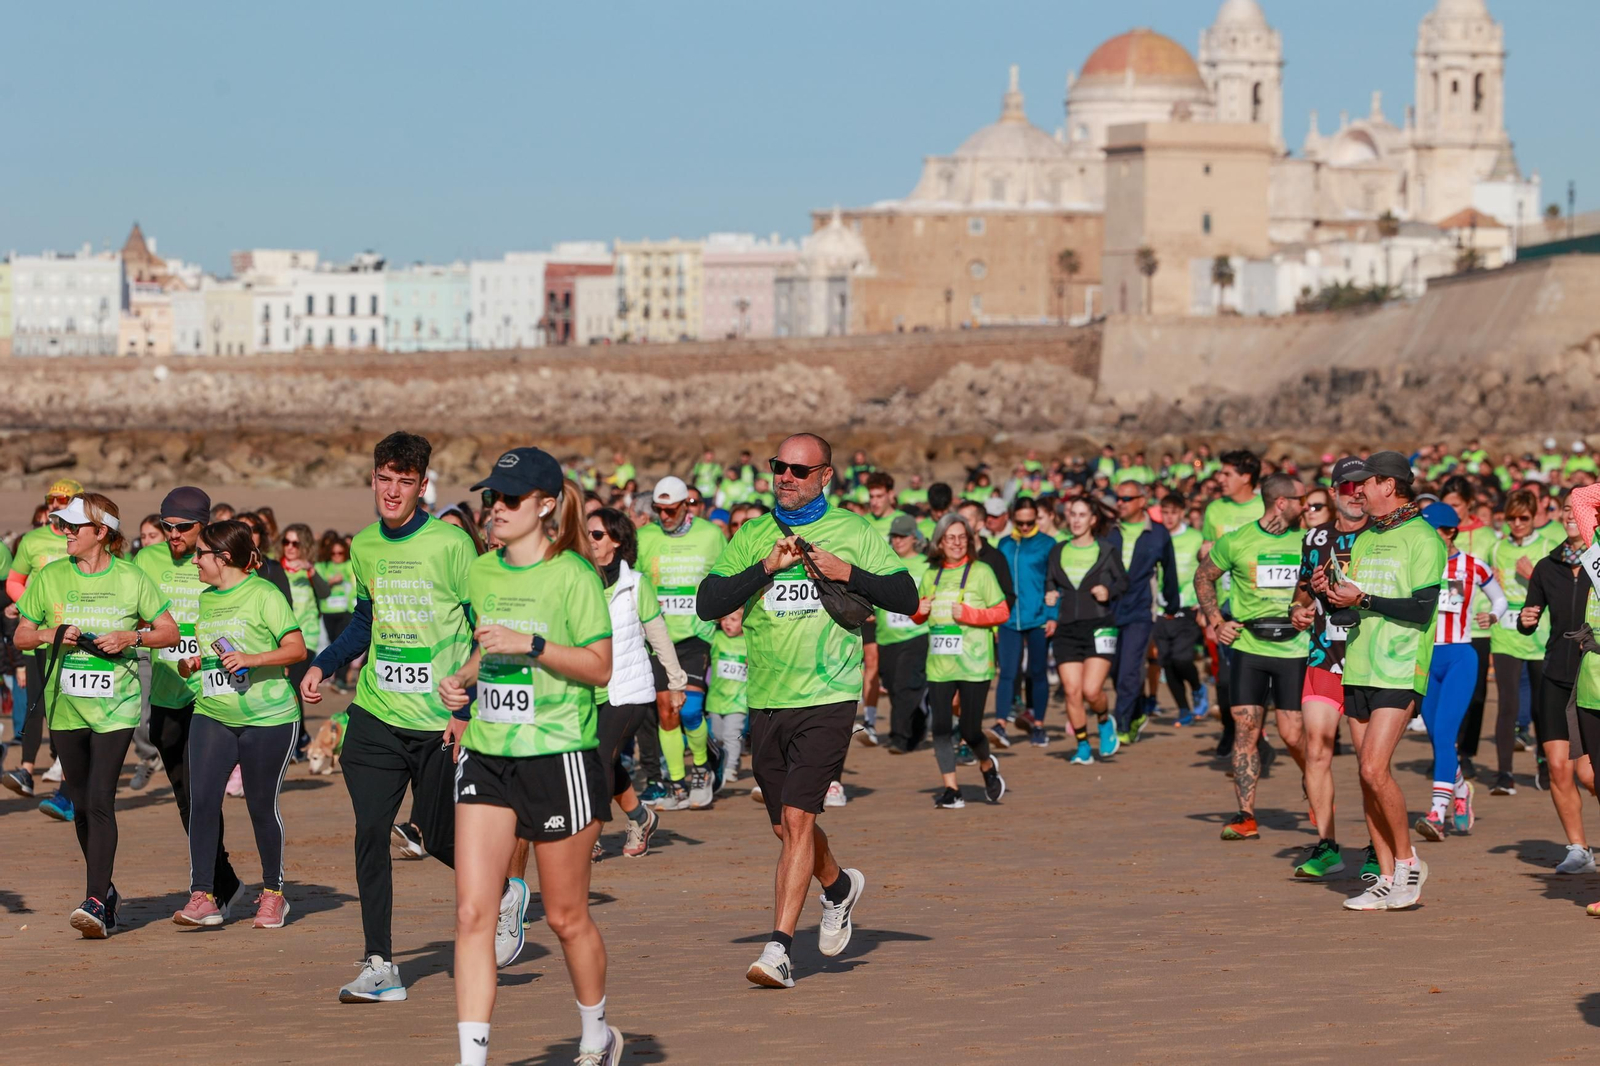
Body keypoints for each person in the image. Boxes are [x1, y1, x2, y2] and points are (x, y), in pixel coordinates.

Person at [697, 432, 917, 989]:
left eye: (800, 469)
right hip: (767, 699)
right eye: (779, 467)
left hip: (829, 694)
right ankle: (839, 887)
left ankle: (778, 949)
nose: (786, 477)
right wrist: (765, 569)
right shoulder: (752, 535)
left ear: (825, 476)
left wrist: (847, 574)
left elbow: (907, 597)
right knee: (785, 827)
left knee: (799, 820)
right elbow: (708, 602)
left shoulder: (852, 529)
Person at [299, 432, 506, 1004]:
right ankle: (380, 964)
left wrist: (467, 708)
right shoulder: (365, 546)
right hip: (374, 713)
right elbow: (366, 620)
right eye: (384, 479)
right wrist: (324, 663)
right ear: (373, 480)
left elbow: (486, 631)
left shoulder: (452, 546)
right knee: (370, 833)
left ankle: (506, 892)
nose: (392, 491)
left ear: (422, 486)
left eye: (404, 482)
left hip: (439, 718)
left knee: (438, 837)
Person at [441, 446, 620, 1066]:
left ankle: (597, 1031)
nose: (495, 509)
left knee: (568, 918)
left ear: (546, 505)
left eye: (510, 499)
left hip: (558, 755)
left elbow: (600, 669)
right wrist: (462, 679)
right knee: (472, 914)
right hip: (488, 754)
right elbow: (485, 647)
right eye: (491, 497)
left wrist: (533, 644)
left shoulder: (573, 574)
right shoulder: (482, 572)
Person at [14, 493, 178, 937]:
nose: (64, 532)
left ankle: (94, 903)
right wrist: (52, 633)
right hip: (65, 704)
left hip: (116, 706)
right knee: (82, 805)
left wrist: (131, 637)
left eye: (73, 527)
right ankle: (105, 893)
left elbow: (169, 631)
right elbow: (22, 636)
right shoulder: (49, 576)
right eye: (62, 525)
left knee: (101, 800)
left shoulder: (132, 577)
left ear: (101, 533)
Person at [1316, 451, 1445, 910]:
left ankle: (1409, 863)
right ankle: (1385, 879)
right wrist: (1330, 595)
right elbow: (1351, 609)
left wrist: (1363, 596)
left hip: (1400, 664)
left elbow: (1421, 608)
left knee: (1375, 768)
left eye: (1365, 484)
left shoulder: (1423, 538)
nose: (1357, 492)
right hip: (1359, 663)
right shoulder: (1367, 538)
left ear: (1388, 485)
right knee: (1366, 777)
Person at [172, 520, 307, 929]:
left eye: (201, 554)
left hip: (269, 717)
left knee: (260, 806)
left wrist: (252, 659)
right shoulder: (207, 599)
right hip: (212, 712)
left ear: (223, 558)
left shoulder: (264, 593)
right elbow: (217, 650)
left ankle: (274, 894)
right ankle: (203, 895)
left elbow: (296, 648)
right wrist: (196, 662)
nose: (194, 560)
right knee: (202, 802)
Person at [133, 487, 248, 918]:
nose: (173, 534)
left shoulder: (216, 558)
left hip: (211, 695)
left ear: (204, 524)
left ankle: (210, 888)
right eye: (166, 526)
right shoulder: (146, 561)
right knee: (186, 797)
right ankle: (223, 879)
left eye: (182, 527)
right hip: (166, 692)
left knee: (205, 796)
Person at [1195, 472, 1308, 842]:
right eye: (1300, 499)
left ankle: (1315, 782)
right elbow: (1203, 576)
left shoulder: (1310, 540)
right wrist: (1216, 621)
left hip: (1296, 648)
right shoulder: (1238, 541)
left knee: (1292, 734)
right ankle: (1246, 815)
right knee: (1246, 730)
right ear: (1281, 502)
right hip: (1249, 646)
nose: (1306, 505)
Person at [588, 505, 683, 859]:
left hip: (629, 690)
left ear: (616, 540)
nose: (590, 541)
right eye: (586, 534)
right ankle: (640, 817)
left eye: (596, 534)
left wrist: (675, 682)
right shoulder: (579, 579)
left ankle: (588, 834)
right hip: (587, 690)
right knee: (602, 761)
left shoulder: (635, 585)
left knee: (598, 759)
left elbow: (658, 635)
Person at [1287, 470, 1367, 878]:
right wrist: (1297, 611)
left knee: (1369, 762)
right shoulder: (1315, 538)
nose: (1356, 496)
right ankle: (1327, 846)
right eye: (1348, 489)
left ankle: (1377, 847)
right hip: (1322, 656)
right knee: (1316, 748)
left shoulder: (1383, 536)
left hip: (1367, 662)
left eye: (1362, 488)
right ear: (1335, 493)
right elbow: (1302, 591)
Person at [635, 475, 726, 811]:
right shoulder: (644, 537)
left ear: (686, 504)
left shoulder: (711, 535)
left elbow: (728, 575)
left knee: (688, 708)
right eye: (659, 510)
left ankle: (702, 767)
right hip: (658, 637)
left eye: (670, 509)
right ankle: (676, 784)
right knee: (666, 711)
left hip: (695, 635)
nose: (664, 516)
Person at [1515, 501, 1597, 871]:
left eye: (1574, 510)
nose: (1568, 515)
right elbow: (1530, 617)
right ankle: (1578, 849)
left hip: (1592, 679)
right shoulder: (1547, 567)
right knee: (1559, 768)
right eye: (1563, 509)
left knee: (1589, 774)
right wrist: (1526, 619)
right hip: (1555, 677)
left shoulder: (1599, 564)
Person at [913, 513, 1010, 808]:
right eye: (950, 538)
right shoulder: (930, 575)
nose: (956, 543)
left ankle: (986, 765)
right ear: (939, 542)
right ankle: (951, 789)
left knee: (969, 730)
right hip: (940, 663)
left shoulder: (981, 572)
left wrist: (970, 615)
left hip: (974, 663)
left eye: (961, 537)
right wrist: (920, 610)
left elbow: (1002, 611)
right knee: (940, 728)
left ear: (969, 540)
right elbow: (916, 617)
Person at [3, 477, 82, 805]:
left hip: (75, 636)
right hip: (39, 634)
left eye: (63, 500)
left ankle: (66, 771)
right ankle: (26, 769)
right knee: (35, 702)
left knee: (67, 703)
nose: (55, 505)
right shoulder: (32, 540)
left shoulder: (83, 539)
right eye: (51, 499)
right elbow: (14, 581)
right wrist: (29, 610)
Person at [1045, 497, 1128, 763]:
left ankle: (1104, 721)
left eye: (1083, 515)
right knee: (1071, 690)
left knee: (1092, 691)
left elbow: (1124, 582)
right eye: (1073, 514)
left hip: (1100, 626)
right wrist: (1049, 595)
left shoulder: (1106, 550)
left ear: (1093, 520)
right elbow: (1050, 583)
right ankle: (1082, 746)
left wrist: (1109, 591)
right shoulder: (1057, 551)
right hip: (1067, 629)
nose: (1077, 520)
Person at [1199, 451, 1265, 763]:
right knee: (1226, 677)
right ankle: (1231, 726)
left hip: (1260, 604)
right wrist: (1205, 606)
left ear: (1246, 477)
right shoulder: (1214, 510)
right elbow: (1206, 562)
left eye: (1226, 474)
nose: (1219, 479)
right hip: (1224, 605)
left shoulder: (1265, 505)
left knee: (1255, 674)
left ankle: (1254, 734)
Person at [1106, 480, 1181, 745]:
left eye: (1126, 499)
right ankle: (1136, 712)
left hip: (1140, 609)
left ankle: (1121, 726)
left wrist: (1172, 605)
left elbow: (1169, 572)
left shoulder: (1158, 533)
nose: (1120, 503)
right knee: (1114, 670)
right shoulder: (1108, 530)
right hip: (1109, 609)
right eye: (1118, 498)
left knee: (1129, 668)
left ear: (1142, 500)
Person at [1488, 489, 1550, 795]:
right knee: (1507, 704)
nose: (1517, 523)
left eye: (1523, 518)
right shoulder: (1498, 548)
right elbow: (1489, 587)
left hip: (1539, 634)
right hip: (1505, 635)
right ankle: (1504, 775)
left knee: (1541, 707)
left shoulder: (1548, 547)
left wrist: (1535, 575)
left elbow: (1558, 592)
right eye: (1511, 518)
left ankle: (1544, 765)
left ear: (1534, 517)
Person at [992, 496, 1054, 748]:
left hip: (1038, 617)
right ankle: (1000, 724)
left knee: (1037, 673)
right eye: (1021, 522)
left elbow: (1054, 583)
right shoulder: (1004, 544)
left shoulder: (1048, 544)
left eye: (1030, 522)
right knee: (1007, 672)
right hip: (1008, 619)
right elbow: (996, 583)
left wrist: (1053, 616)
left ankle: (1038, 724)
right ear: (1013, 518)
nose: (1026, 527)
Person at [879, 514, 931, 755]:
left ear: (914, 538)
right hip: (887, 635)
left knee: (903, 685)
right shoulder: (883, 562)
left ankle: (899, 737)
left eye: (902, 536)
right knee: (892, 685)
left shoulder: (926, 565)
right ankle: (918, 722)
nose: (897, 541)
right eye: (894, 537)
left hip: (917, 633)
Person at [1154, 492, 1207, 726]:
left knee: (1182, 659)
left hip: (1188, 607)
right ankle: (1183, 709)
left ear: (1182, 513)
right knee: (1167, 662)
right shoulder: (1155, 537)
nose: (1168, 517)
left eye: (1173, 513)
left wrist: (1205, 603)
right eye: (1164, 512)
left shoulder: (1195, 537)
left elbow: (1207, 569)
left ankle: (1197, 687)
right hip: (1160, 609)